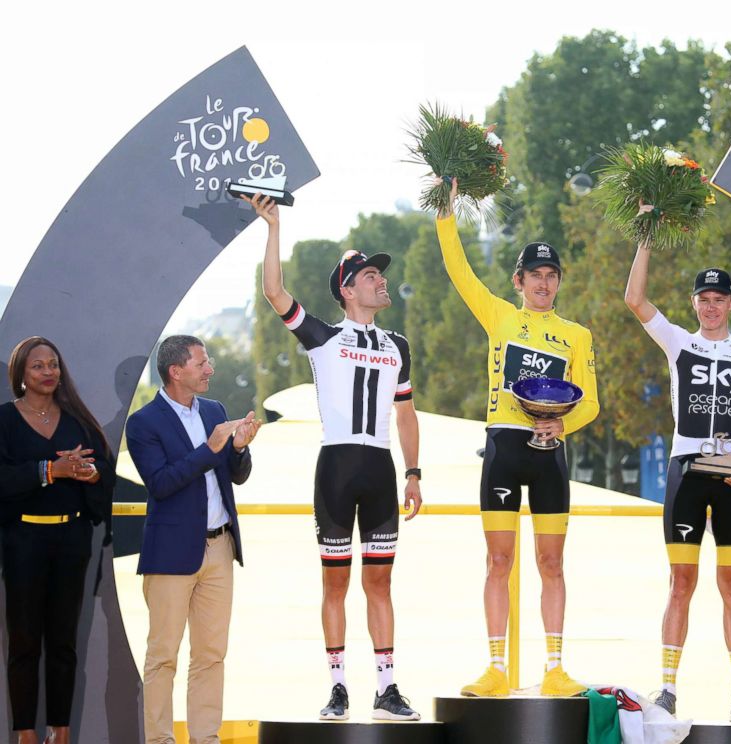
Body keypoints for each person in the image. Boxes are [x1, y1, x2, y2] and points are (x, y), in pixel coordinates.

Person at [247, 194, 423, 721]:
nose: (381, 281)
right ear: (347, 289)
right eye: (370, 275)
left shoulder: (398, 345)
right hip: (336, 468)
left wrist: (413, 472)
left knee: (380, 581)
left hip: (380, 468)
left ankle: (387, 688)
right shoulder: (322, 336)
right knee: (335, 582)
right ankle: (338, 687)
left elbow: (407, 414)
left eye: (380, 275)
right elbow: (274, 290)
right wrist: (273, 227)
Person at [435, 179, 599, 697]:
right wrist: (445, 210)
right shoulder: (500, 316)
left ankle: (554, 667)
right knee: (498, 562)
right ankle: (496, 669)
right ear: (519, 280)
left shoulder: (577, 335)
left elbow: (590, 401)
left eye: (551, 276)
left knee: (552, 563)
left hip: (549, 454)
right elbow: (459, 272)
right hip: (504, 447)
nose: (544, 284)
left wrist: (561, 424)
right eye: (535, 276)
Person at [624, 214, 731, 723]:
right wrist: (646, 235)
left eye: (719, 299)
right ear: (695, 305)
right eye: (703, 300)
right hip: (687, 467)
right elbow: (635, 301)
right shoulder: (679, 343)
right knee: (680, 581)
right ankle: (666, 689)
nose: (710, 307)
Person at [125, 335, 260, 744]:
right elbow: (161, 484)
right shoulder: (144, 423)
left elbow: (235, 475)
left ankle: (206, 739)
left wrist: (238, 449)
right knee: (163, 657)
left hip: (220, 548)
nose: (210, 369)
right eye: (202, 363)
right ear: (175, 371)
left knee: (211, 656)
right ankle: (160, 740)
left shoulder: (215, 411)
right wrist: (211, 446)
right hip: (170, 553)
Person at [0, 337, 115, 744]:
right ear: (21, 376)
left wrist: (91, 475)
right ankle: (25, 732)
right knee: (25, 640)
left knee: (64, 641)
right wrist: (51, 470)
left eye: (53, 364)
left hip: (72, 539)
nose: (49, 372)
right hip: (23, 542)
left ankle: (61, 730)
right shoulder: (6, 420)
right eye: (38, 366)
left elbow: (104, 470)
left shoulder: (77, 419)